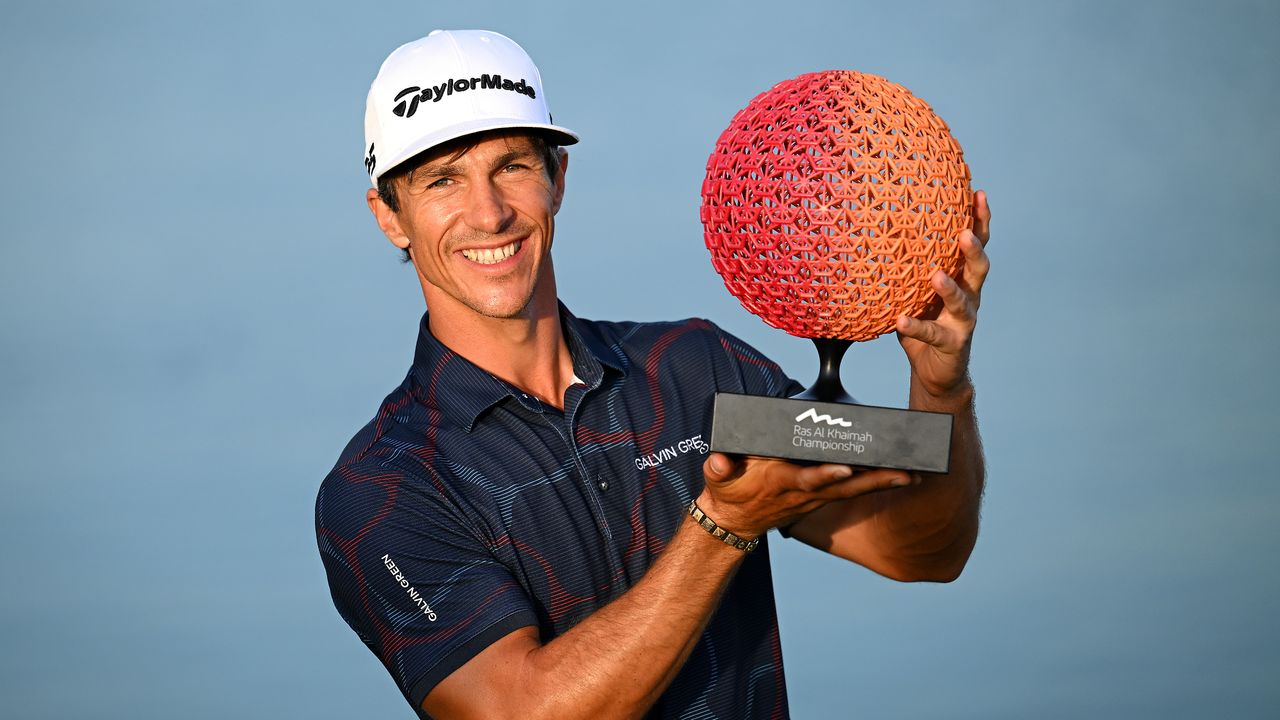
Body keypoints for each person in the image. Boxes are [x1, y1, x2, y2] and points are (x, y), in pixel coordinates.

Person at [316, 29, 991, 720]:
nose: (489, 213)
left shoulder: (698, 370)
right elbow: (520, 710)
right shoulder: (382, 490)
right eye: (442, 179)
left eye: (513, 165)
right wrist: (722, 524)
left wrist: (940, 390)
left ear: (559, 179)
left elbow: (923, 549)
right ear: (388, 215)